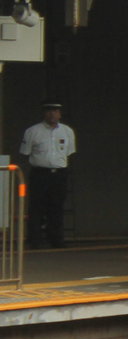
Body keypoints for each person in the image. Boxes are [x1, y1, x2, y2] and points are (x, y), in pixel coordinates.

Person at [19, 101, 76, 248]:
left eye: (55, 111)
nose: (52, 114)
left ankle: (56, 239)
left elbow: (68, 152)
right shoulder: (33, 131)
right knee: (36, 207)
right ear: (44, 113)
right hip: (40, 173)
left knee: (57, 206)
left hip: (59, 173)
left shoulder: (67, 131)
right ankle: (35, 240)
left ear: (60, 114)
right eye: (49, 111)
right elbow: (25, 152)